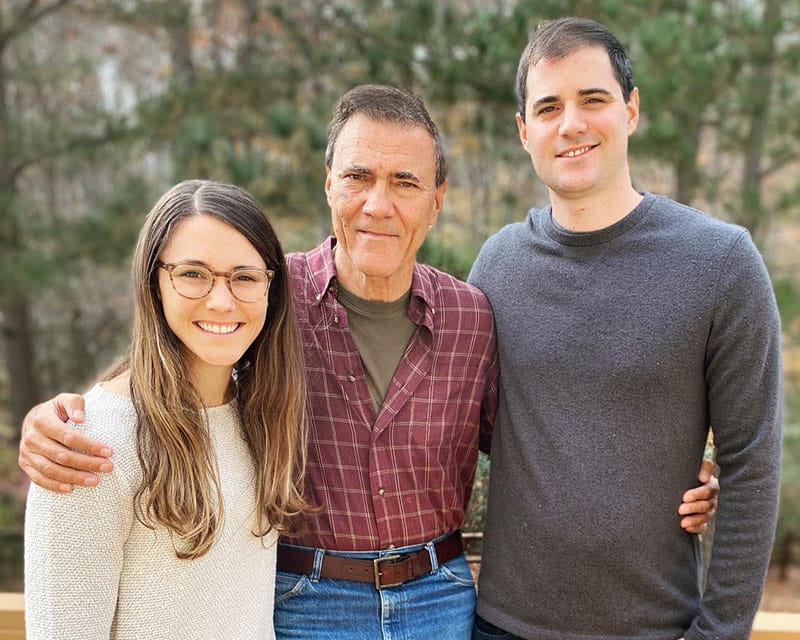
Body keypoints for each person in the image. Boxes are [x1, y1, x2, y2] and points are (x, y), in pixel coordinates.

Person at [18, 86, 717, 639]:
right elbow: (183, 349)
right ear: (329, 185)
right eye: (358, 176)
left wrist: (664, 472)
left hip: (441, 600)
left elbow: (541, 447)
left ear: (437, 202)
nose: (377, 204)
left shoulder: (474, 317)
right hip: (303, 600)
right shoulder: (268, 296)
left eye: (405, 182)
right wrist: (65, 415)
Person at [468, 17, 782, 640]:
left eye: (594, 99)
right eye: (549, 107)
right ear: (524, 131)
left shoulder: (720, 263)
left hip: (656, 627)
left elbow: (753, 459)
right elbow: (468, 431)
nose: (572, 124)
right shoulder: (496, 267)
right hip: (501, 625)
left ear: (631, 110)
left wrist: (720, 632)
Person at [24, 180, 308, 640]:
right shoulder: (86, 444)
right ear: (153, 282)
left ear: (270, 290)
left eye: (245, 277)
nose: (221, 299)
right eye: (193, 274)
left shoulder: (258, 415)